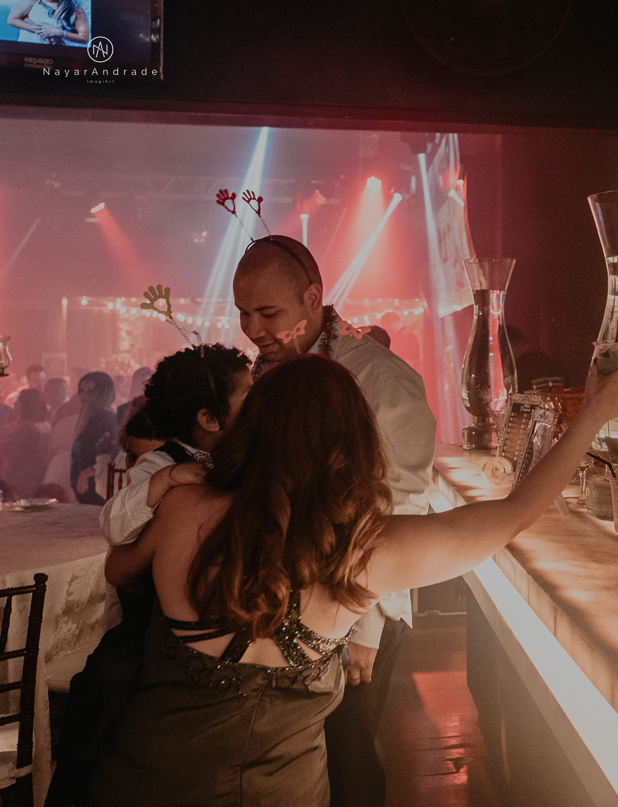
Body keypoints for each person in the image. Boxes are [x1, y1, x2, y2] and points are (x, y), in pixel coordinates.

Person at [86, 354, 618, 806]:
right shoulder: (367, 552)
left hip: (144, 783)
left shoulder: (186, 509)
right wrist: (591, 415)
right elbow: (515, 512)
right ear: (353, 440)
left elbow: (120, 570)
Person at [232, 234, 435, 807]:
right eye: (244, 313)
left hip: (355, 605)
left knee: (345, 758)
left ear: (312, 298)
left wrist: (364, 630)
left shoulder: (380, 379)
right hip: (283, 595)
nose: (253, 328)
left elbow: (397, 508)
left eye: (268, 313)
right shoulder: (267, 373)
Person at [47, 345, 252, 807]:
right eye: (248, 395)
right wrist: (168, 481)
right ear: (209, 418)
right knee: (109, 672)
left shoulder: (249, 457)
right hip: (155, 615)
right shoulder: (160, 464)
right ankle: (74, 775)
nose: (258, 403)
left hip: (220, 606)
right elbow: (115, 524)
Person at [70, 371, 117, 506]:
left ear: (103, 394)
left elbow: (114, 456)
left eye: (90, 392)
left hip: (98, 494)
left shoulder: (105, 419)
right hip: (89, 493)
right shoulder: (89, 418)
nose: (84, 396)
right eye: (81, 391)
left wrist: (87, 473)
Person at [0, 388, 51, 499]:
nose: (15, 403)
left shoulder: (25, 429)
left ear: (26, 404)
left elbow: (15, 460)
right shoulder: (46, 425)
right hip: (40, 478)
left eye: (18, 401)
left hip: (22, 481)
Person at [6, 0, 89, 45]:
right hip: (26, 51)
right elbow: (12, 19)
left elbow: (84, 38)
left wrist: (61, 33)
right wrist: (37, 29)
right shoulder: (33, 1)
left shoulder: (75, 9)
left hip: (56, 56)